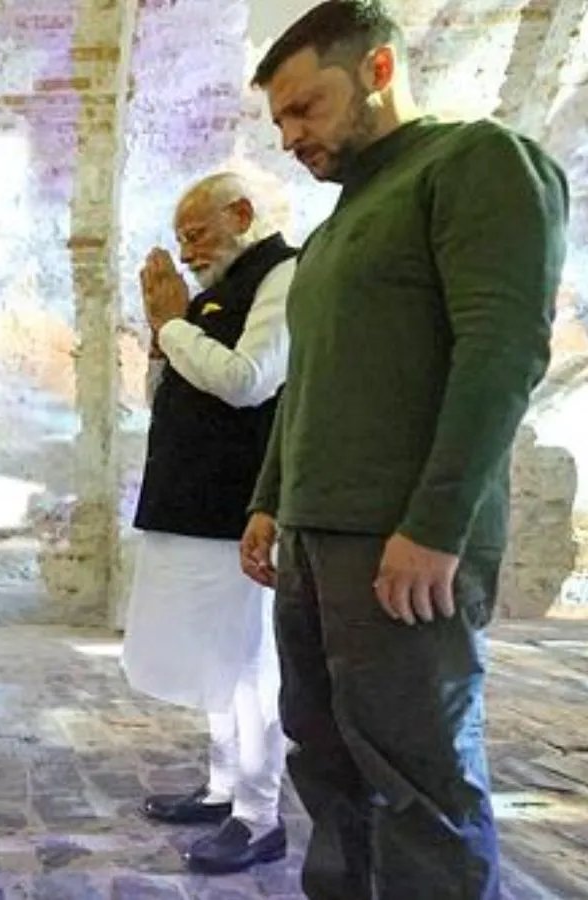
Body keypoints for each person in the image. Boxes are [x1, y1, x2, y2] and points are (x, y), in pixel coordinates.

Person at [239, 3, 568, 897]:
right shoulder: (339, 223)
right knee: (326, 759)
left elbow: (502, 351)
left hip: (401, 543)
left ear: (379, 70)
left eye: (305, 108)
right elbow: (310, 378)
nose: (290, 135)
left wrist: (436, 524)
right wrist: (271, 498)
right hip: (315, 538)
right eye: (279, 120)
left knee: (420, 782)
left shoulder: (477, 163)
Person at [122, 172, 297, 875]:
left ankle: (259, 818)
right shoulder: (210, 295)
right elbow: (171, 394)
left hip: (242, 506)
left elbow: (249, 377)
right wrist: (164, 338)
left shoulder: (283, 276)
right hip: (194, 502)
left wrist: (172, 323)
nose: (188, 251)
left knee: (251, 663)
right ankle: (225, 785)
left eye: (197, 233)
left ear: (243, 215)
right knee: (216, 658)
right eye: (183, 237)